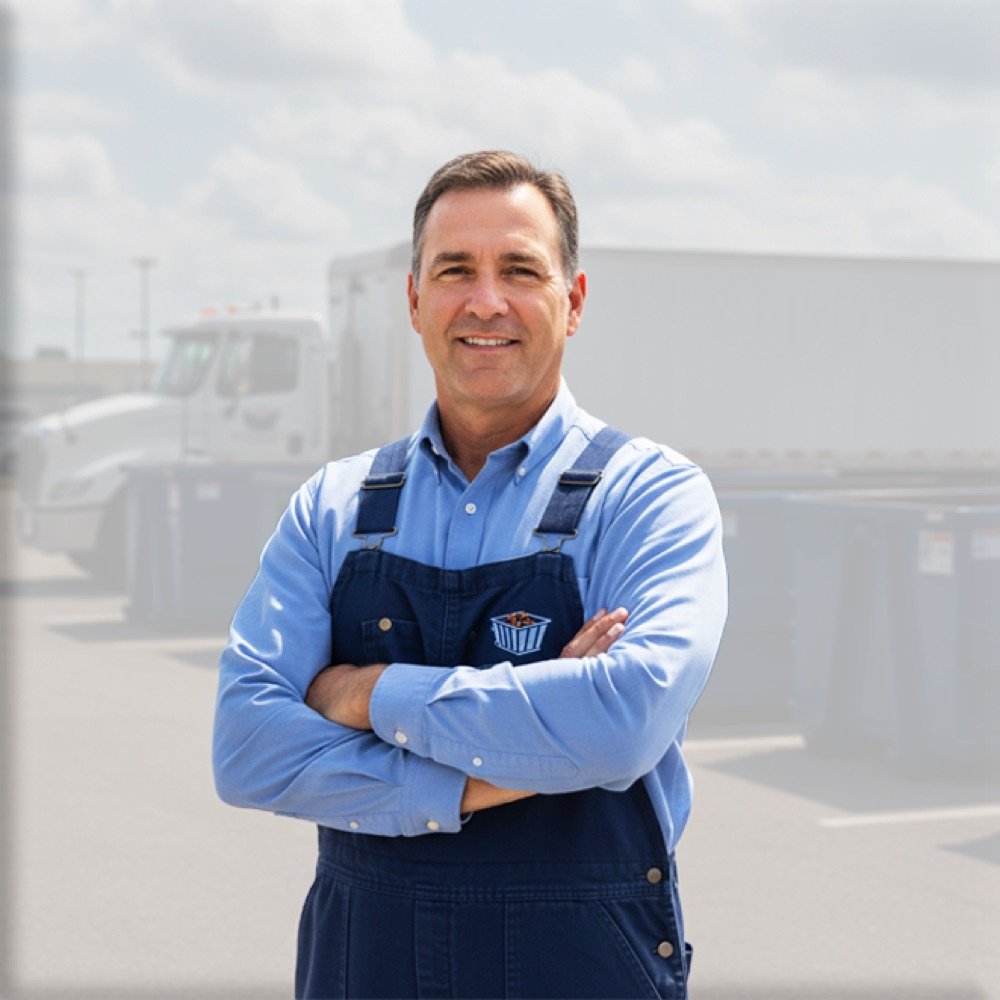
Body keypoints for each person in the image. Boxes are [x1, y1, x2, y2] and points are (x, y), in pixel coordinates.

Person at [213, 150, 727, 999]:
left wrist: (364, 694)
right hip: (364, 969)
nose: (486, 300)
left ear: (575, 300)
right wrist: (495, 771)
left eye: (520, 269)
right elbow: (247, 748)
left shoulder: (648, 496)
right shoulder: (333, 507)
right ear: (416, 301)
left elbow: (622, 725)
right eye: (456, 270)